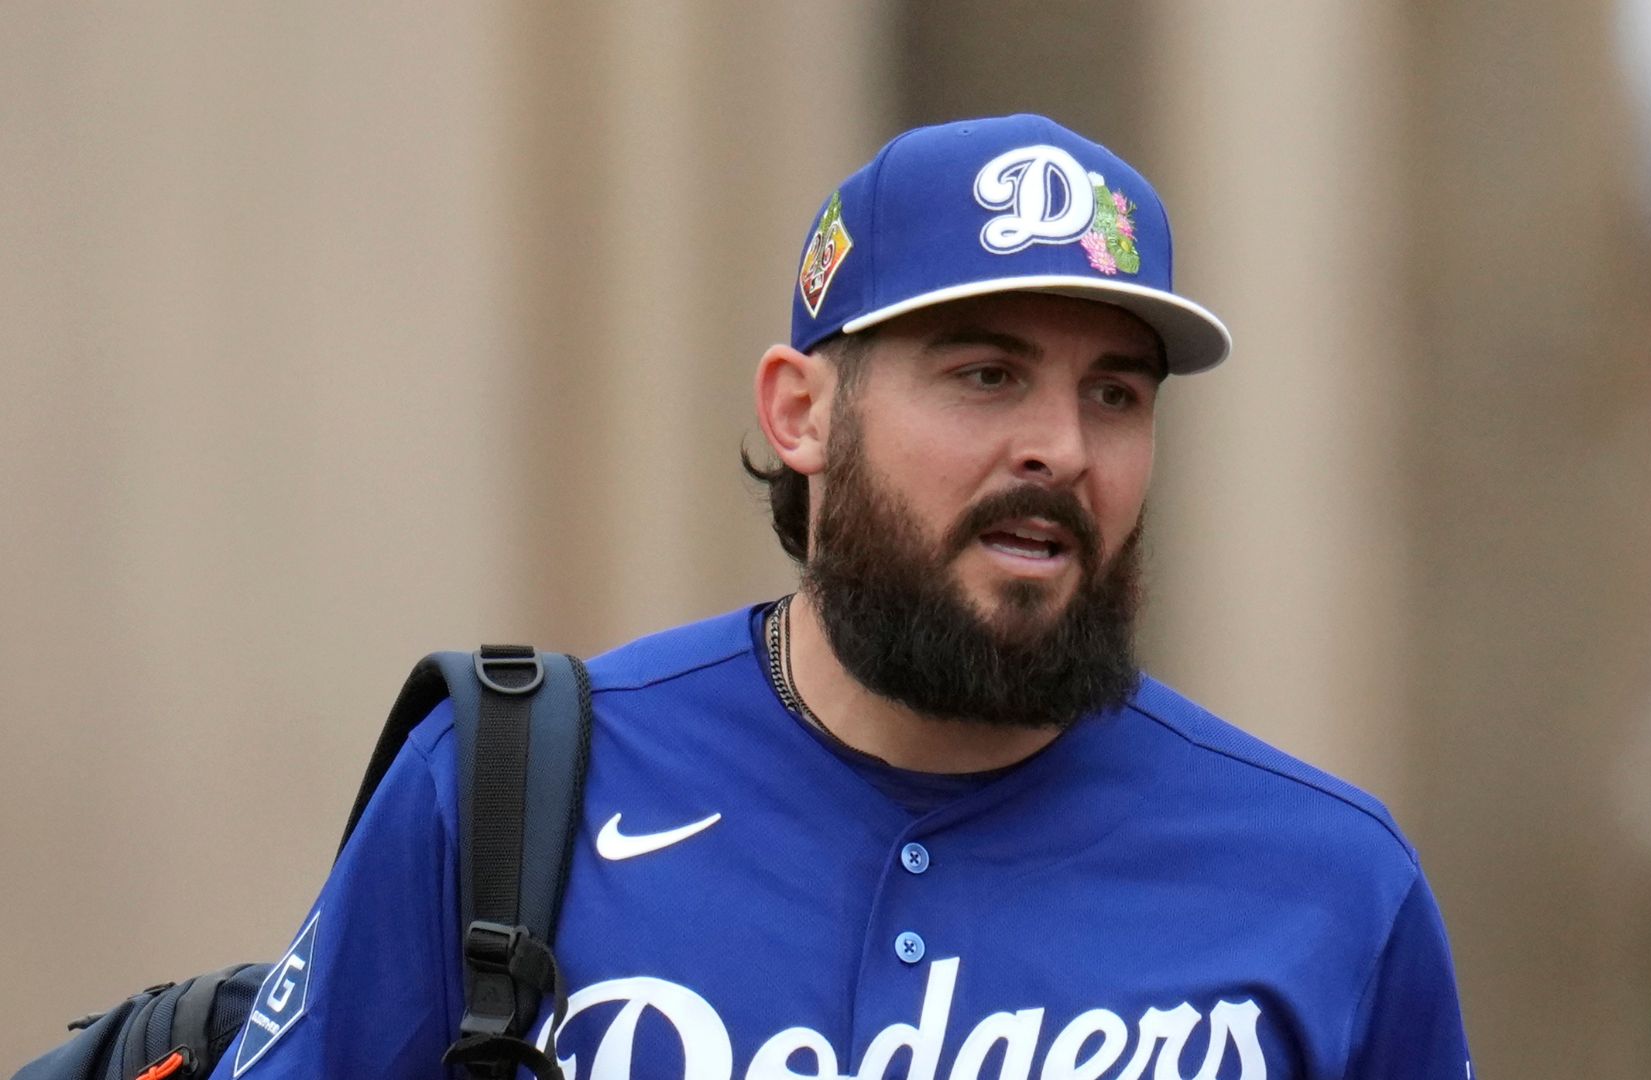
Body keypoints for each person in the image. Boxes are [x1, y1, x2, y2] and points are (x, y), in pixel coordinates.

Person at [212, 114, 1470, 1079]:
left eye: (1116, 395)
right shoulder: (502, 797)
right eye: (986, 374)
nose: (1063, 450)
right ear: (802, 413)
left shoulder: (1328, 886)